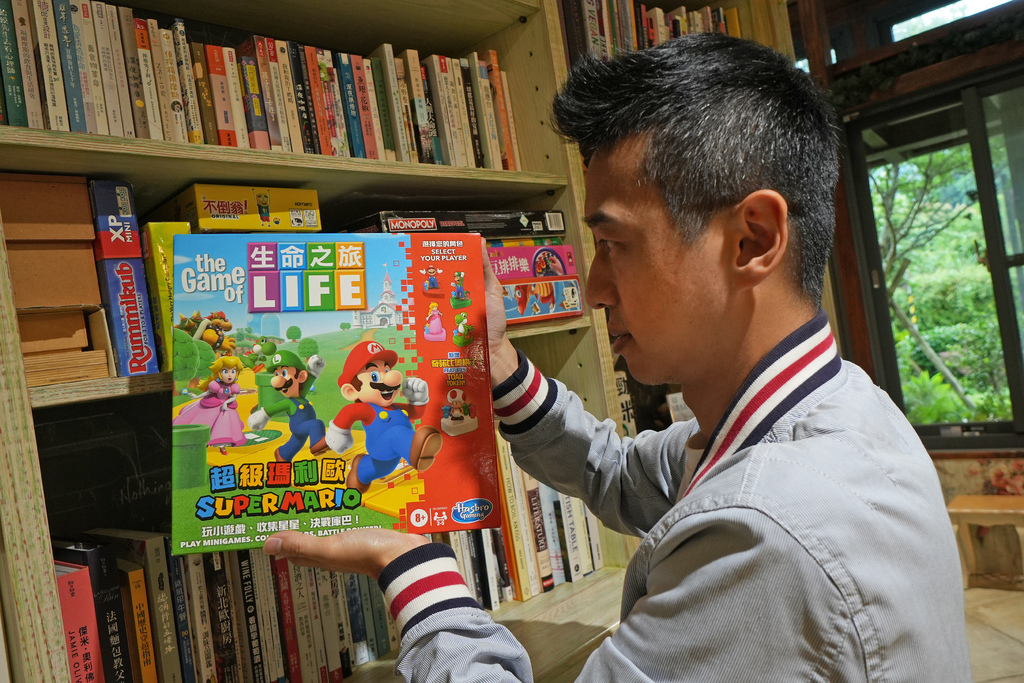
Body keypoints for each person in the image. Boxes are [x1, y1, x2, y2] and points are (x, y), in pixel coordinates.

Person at [263, 34, 972, 682]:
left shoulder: (767, 535)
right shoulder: (847, 406)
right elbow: (622, 473)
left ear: (752, 239)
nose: (593, 288)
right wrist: (500, 369)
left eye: (614, 245)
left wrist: (411, 565)